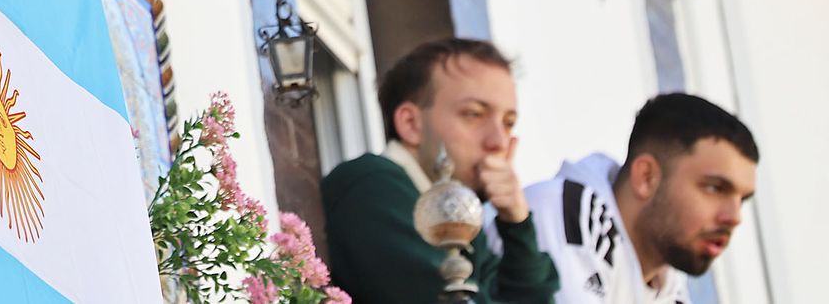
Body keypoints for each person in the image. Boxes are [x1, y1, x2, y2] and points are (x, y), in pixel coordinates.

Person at [322, 38, 560, 303]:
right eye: (474, 114)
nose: (499, 142)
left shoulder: (461, 222)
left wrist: (516, 223)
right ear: (411, 123)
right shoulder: (369, 186)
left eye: (508, 122)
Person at [513, 93, 758, 303]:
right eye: (715, 188)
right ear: (646, 177)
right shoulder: (563, 211)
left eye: (742, 199)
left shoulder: (669, 289)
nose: (734, 217)